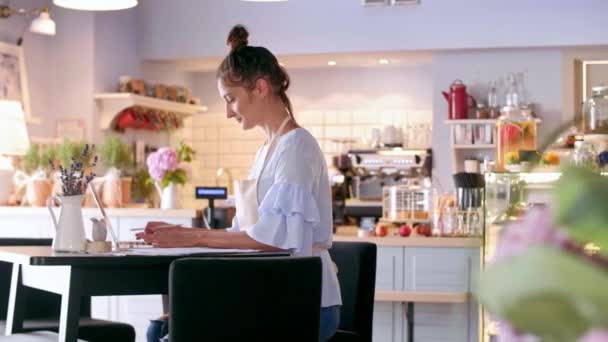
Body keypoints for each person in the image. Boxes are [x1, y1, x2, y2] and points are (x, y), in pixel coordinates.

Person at [138, 24, 342, 342]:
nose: (228, 112)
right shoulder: (267, 151)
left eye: (231, 99)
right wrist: (180, 233)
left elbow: (277, 240)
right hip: (266, 292)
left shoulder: (297, 146)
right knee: (159, 328)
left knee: (166, 334)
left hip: (303, 304)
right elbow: (245, 235)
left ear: (260, 87)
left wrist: (192, 237)